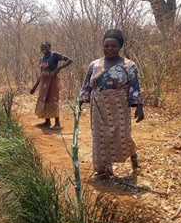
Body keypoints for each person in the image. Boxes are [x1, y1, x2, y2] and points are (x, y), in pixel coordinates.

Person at [78, 29, 144, 179]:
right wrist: (81, 102)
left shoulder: (129, 65)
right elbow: (87, 85)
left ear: (120, 46)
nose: (109, 49)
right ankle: (103, 170)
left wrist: (139, 107)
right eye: (106, 46)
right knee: (100, 137)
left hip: (119, 105)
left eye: (113, 46)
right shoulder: (94, 64)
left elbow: (135, 87)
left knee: (122, 136)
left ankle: (133, 156)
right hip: (98, 105)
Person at [29, 42, 73, 130]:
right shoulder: (42, 59)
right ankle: (47, 122)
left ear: (49, 47)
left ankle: (57, 123)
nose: (43, 48)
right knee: (44, 99)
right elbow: (41, 74)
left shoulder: (54, 55)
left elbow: (69, 60)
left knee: (53, 99)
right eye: (41, 47)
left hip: (52, 81)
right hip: (43, 82)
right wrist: (34, 87)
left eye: (45, 47)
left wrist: (58, 69)